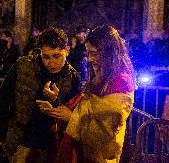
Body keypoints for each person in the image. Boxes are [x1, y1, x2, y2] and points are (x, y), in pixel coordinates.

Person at [41, 25, 134, 163]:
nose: (90, 59)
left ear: (109, 53)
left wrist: (72, 118)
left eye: (94, 54)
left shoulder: (120, 84)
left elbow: (104, 133)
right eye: (88, 53)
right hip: (84, 154)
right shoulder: (100, 78)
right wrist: (57, 101)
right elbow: (86, 109)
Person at [0, 27, 81, 163]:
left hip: (52, 146)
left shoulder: (73, 77)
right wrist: (4, 137)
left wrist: (55, 101)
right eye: (45, 56)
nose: (51, 62)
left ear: (67, 51)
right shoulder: (23, 66)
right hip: (20, 144)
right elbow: (2, 101)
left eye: (56, 56)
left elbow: (71, 115)